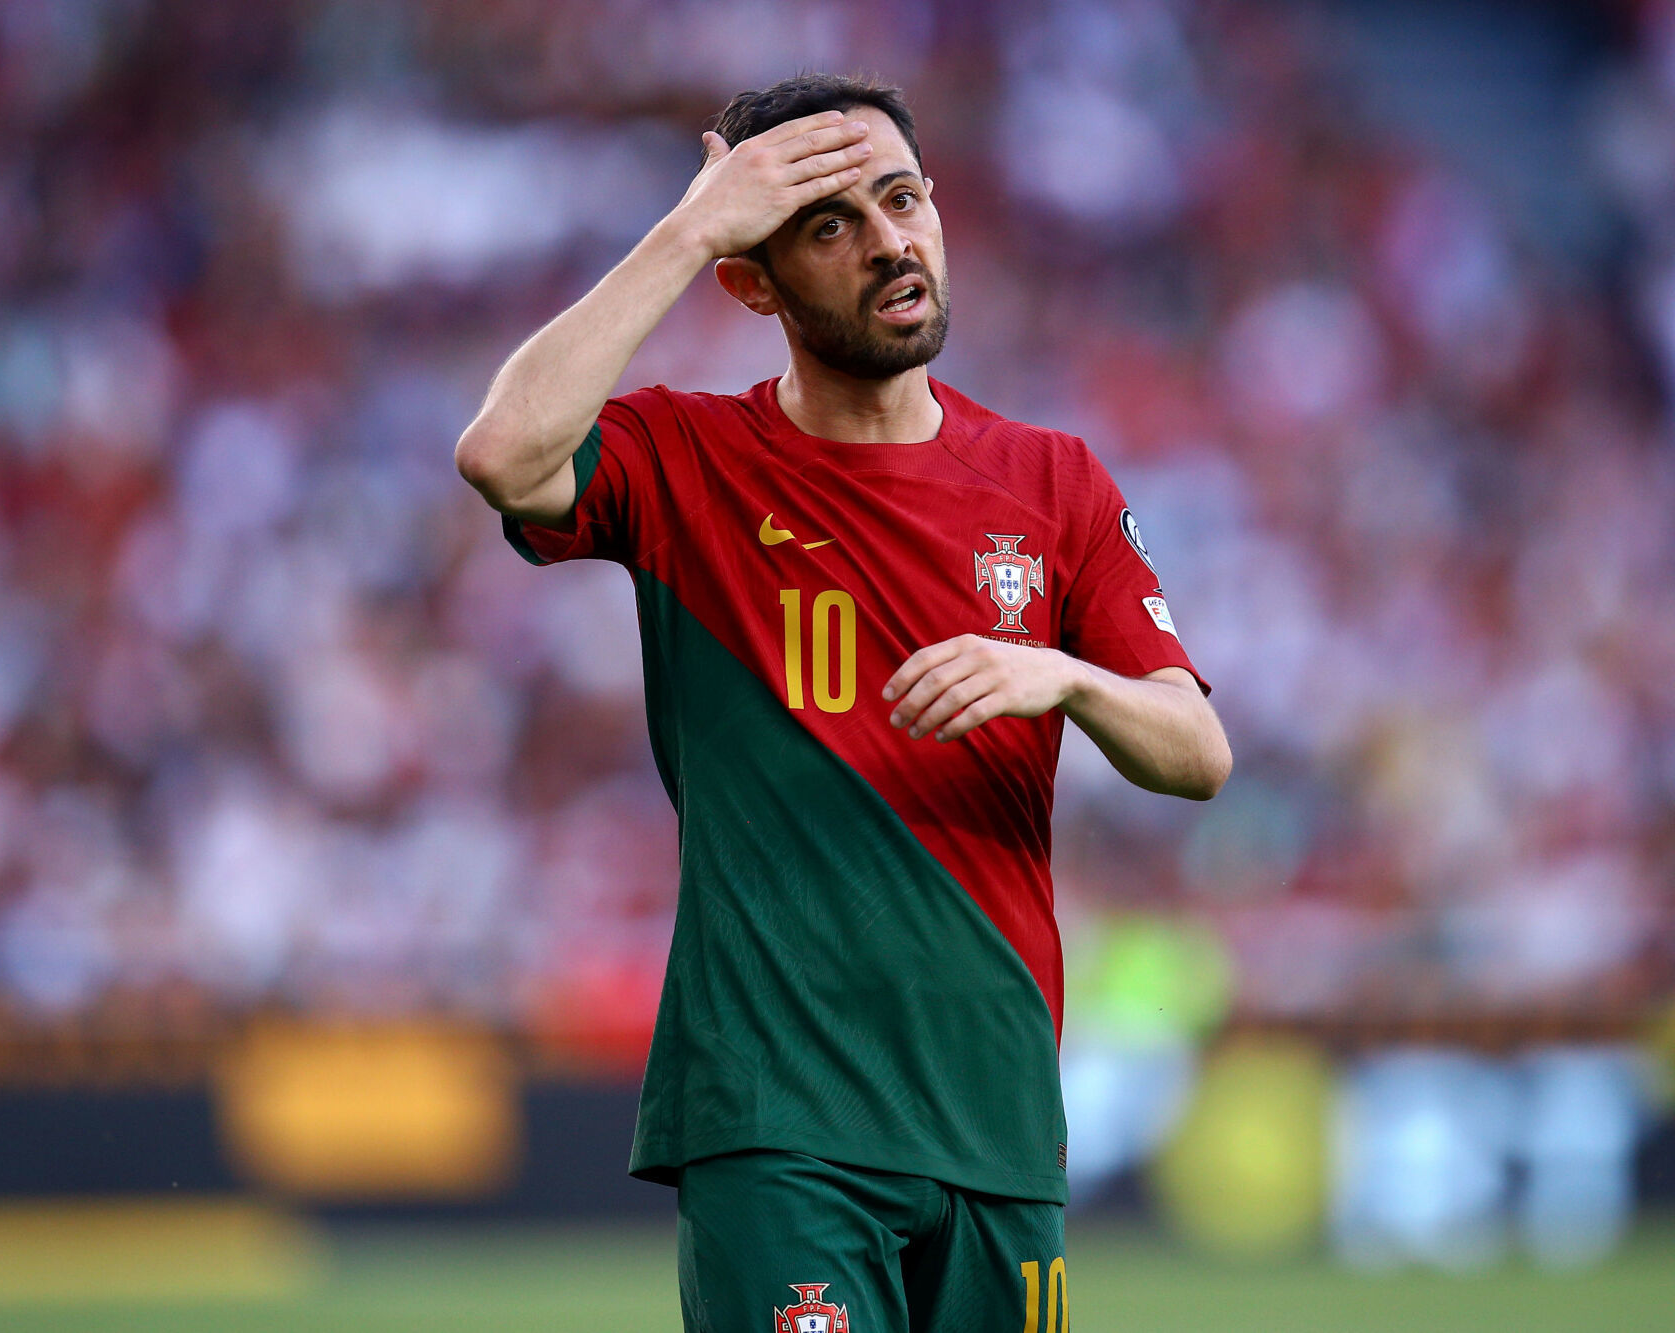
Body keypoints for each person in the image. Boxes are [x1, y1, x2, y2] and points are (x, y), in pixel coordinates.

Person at [455, 73, 1230, 1333]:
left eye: (902, 200)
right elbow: (502, 453)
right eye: (828, 225)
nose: (886, 242)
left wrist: (1065, 677)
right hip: (777, 1115)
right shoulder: (686, 457)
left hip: (994, 1114)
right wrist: (689, 226)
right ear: (750, 285)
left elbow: (1196, 752)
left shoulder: (1053, 481)